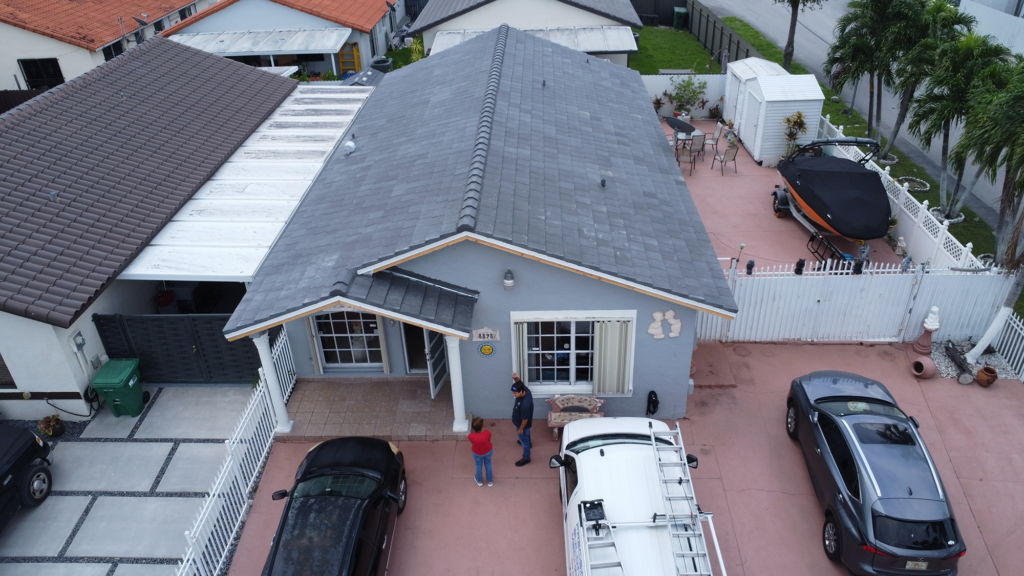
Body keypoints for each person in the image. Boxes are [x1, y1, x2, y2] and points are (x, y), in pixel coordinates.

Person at [510, 372, 533, 466]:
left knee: (524, 440)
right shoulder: (524, 390)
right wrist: (516, 378)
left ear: (521, 392)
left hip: (522, 425)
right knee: (526, 436)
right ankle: (528, 442)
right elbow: (520, 383)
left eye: (515, 393)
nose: (514, 395)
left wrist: (521, 429)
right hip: (520, 423)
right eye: (513, 392)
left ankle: (526, 457)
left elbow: (525, 419)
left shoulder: (525, 405)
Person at [468, 417, 493, 487]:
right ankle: (490, 481)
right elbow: (489, 440)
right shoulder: (487, 432)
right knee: (488, 464)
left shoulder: (471, 436)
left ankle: (479, 481)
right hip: (488, 451)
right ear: (481, 426)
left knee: (479, 465)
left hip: (477, 453)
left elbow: (472, 442)